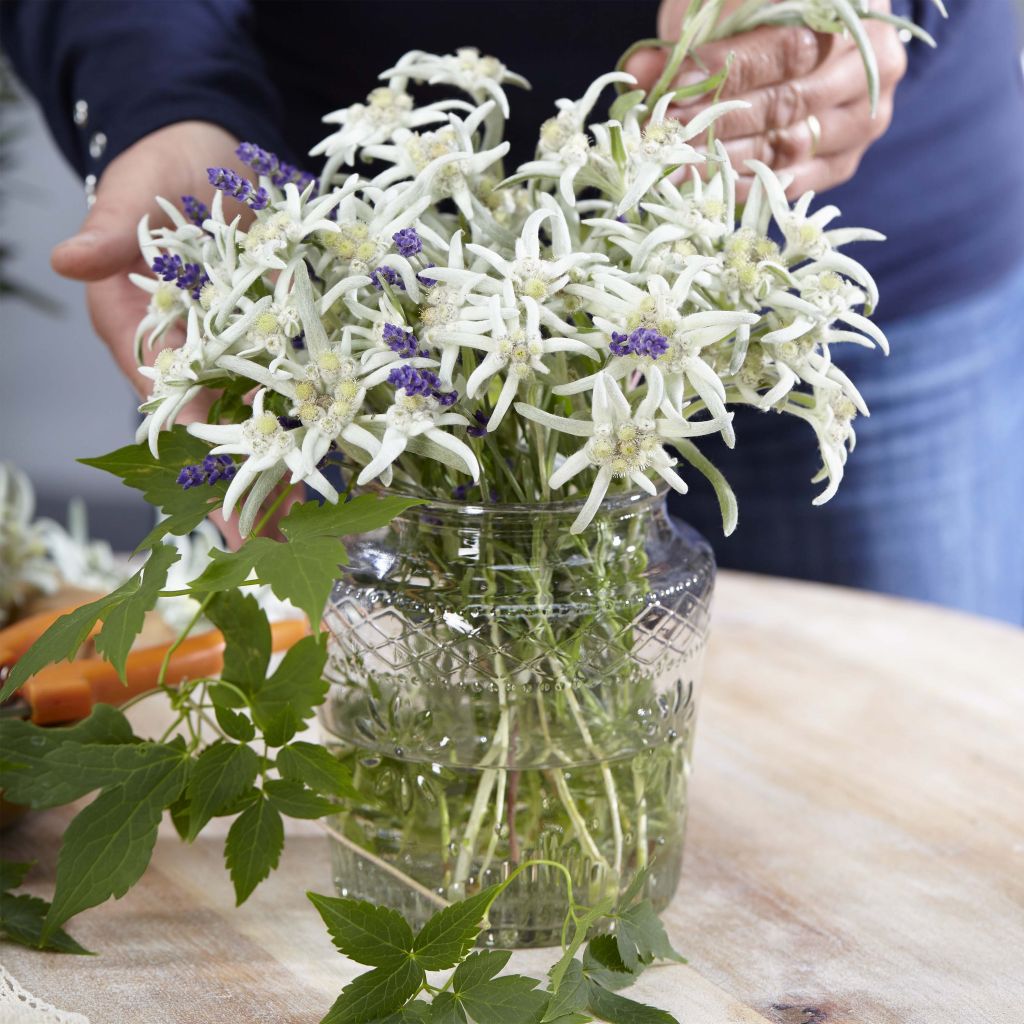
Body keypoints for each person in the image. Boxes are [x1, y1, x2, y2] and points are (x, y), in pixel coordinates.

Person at [3, 1, 1023, 623]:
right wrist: (158, 99)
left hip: (810, 249)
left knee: (902, 781)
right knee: (392, 741)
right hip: (344, 287)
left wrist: (839, 14)